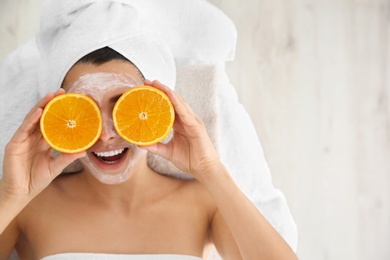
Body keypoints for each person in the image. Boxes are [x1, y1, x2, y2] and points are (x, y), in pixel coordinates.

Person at [0, 1, 298, 259]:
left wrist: (211, 170)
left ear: (159, 105)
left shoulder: (203, 203)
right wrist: (11, 194)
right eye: (84, 108)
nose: (105, 134)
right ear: (59, 115)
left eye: (123, 104)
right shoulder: (27, 207)